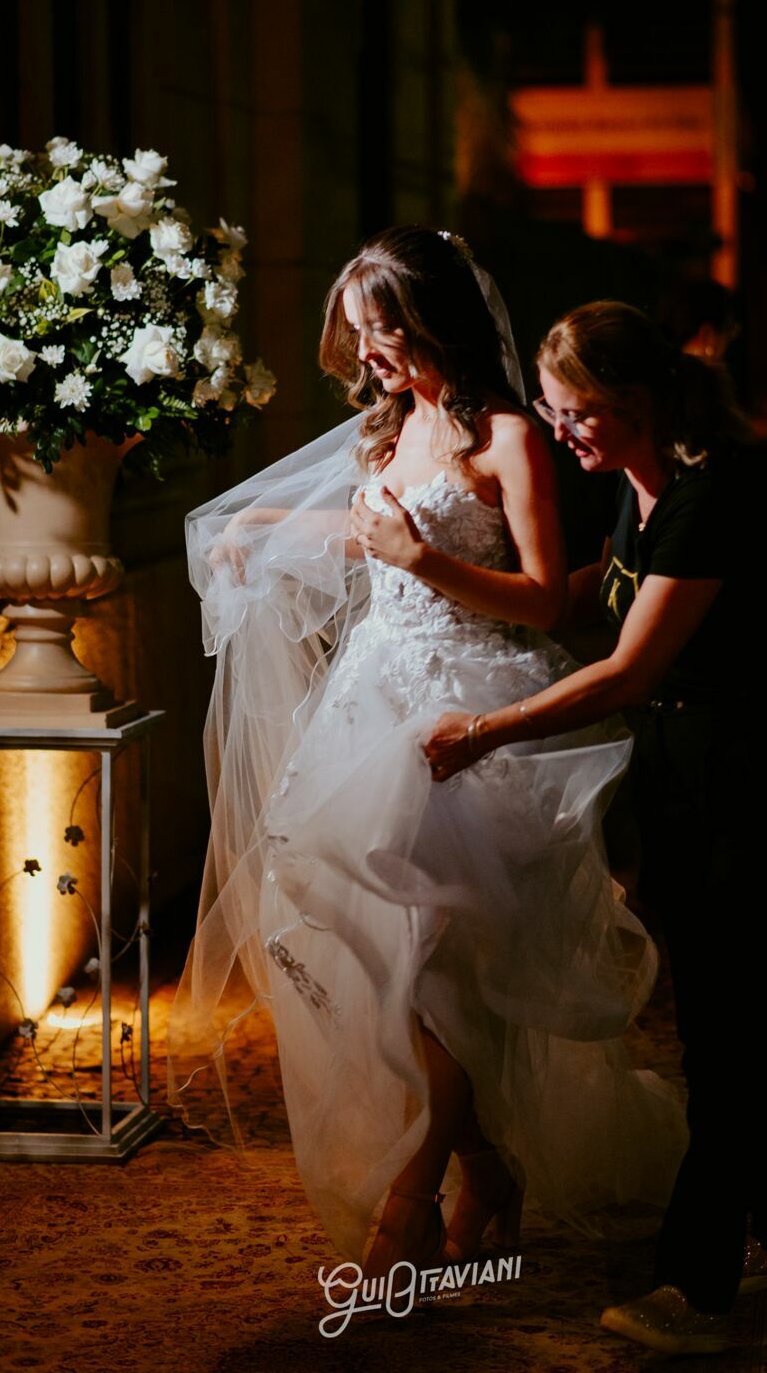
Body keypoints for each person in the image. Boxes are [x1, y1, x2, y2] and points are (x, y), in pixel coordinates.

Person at [167, 233, 686, 1282]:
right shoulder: (388, 430)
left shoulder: (508, 437)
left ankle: (414, 1194)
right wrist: (258, 526)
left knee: (444, 976)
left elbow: (544, 597)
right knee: (396, 981)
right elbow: (361, 534)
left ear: (434, 320)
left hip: (469, 717)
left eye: (385, 331)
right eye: (358, 334)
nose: (370, 353)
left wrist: (426, 559)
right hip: (371, 706)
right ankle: (486, 1172)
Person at [423, 300, 767, 1355]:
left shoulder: (723, 493)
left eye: (577, 411)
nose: (559, 429)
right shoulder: (643, 482)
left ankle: (697, 1286)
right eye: (550, 408)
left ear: (640, 401)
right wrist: (492, 603)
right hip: (687, 782)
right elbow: (602, 593)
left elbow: (630, 666)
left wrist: (484, 727)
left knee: (724, 1033)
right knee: (727, 1015)